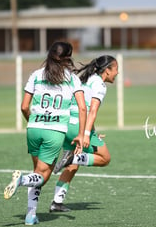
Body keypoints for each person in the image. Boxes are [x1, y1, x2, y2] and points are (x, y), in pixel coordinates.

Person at [3, 41, 87, 225]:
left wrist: (34, 122)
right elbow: (82, 108)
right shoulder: (72, 78)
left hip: (33, 128)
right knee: (41, 176)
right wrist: (81, 134)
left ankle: (30, 215)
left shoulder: (36, 75)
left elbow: (24, 107)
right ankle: (22, 180)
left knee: (37, 172)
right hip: (54, 132)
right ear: (68, 58)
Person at [49, 55, 118, 212]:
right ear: (107, 71)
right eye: (116, 69)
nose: (117, 73)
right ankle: (74, 157)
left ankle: (56, 202)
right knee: (105, 158)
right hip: (79, 126)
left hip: (67, 125)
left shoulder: (86, 79)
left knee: (72, 166)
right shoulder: (100, 85)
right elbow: (91, 110)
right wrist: (86, 134)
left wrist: (92, 131)